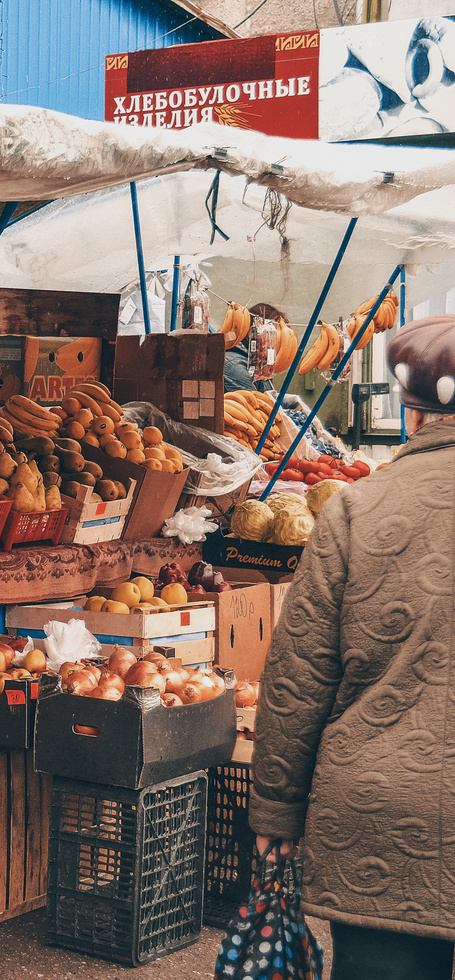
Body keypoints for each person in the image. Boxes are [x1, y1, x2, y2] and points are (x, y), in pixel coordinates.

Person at [249, 314, 455, 979]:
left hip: (378, 821)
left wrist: (276, 813)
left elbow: (296, 677)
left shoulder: (355, 510)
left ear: (410, 408)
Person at [224, 302, 283, 394]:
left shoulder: (261, 366)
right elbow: (256, 404)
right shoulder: (233, 365)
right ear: (253, 333)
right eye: (273, 336)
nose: (277, 343)